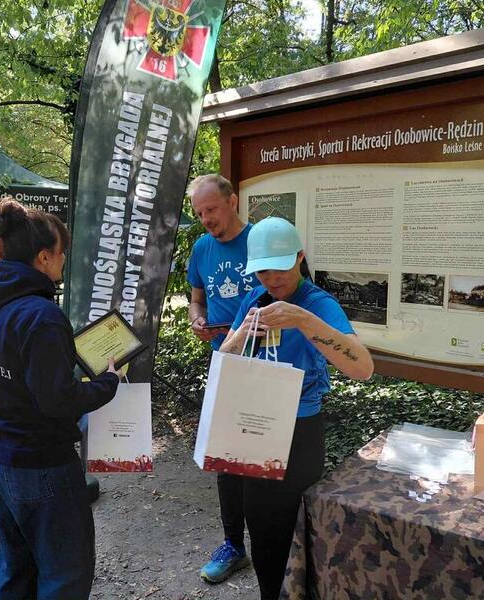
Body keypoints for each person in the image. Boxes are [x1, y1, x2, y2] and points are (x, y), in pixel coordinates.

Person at [0, 198, 121, 600]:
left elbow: (14, 369)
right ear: (43, 257)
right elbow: (58, 400)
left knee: (17, 565)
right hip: (41, 465)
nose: (62, 263)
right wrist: (108, 383)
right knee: (65, 575)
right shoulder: (40, 314)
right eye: (61, 255)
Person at [219, 217, 374, 600]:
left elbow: (362, 368)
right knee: (262, 530)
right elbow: (223, 360)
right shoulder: (254, 300)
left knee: (294, 529)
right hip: (253, 428)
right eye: (263, 270)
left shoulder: (318, 303)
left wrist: (302, 320)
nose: (271, 279)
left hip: (298, 432)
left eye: (281, 267)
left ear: (300, 257)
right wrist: (241, 334)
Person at [186, 174, 259, 583]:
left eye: (211, 210)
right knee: (226, 460)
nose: (206, 220)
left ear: (233, 201)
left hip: (268, 364)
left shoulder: (260, 242)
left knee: (266, 457)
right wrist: (197, 319)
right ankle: (234, 544)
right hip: (224, 363)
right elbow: (197, 298)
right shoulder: (201, 248)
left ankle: (274, 542)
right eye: (199, 214)